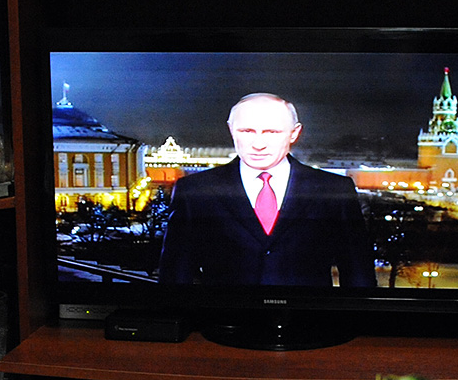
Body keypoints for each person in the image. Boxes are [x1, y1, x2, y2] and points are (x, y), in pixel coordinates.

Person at [157, 93, 376, 286]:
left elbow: (357, 271)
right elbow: (175, 274)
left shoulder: (334, 190)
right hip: (223, 326)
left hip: (309, 327)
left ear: (294, 133)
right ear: (231, 130)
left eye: (271, 132)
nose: (258, 144)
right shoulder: (195, 191)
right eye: (247, 131)